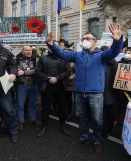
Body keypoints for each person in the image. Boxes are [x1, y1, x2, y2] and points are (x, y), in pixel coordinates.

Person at [45, 23, 123, 154]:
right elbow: (62, 54)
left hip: (96, 93)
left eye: (87, 38)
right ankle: (84, 137)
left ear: (95, 41)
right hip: (80, 92)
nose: (84, 41)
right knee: (81, 117)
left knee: (97, 119)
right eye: (83, 39)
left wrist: (118, 40)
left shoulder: (102, 55)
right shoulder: (78, 55)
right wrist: (51, 45)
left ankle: (97, 140)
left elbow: (114, 52)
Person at [35, 41, 71, 137]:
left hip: (60, 86)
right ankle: (44, 126)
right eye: (50, 46)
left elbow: (68, 72)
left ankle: (63, 125)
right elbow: (37, 72)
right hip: (47, 86)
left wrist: (57, 78)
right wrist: (48, 78)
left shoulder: (64, 58)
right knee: (45, 107)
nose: (52, 48)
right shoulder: (43, 58)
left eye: (54, 46)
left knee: (61, 106)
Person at [15, 45, 40, 131]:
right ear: (22, 51)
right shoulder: (17, 59)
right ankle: (20, 122)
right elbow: (15, 70)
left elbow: (37, 71)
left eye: (30, 50)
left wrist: (24, 72)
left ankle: (32, 119)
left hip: (33, 85)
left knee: (33, 104)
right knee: (20, 105)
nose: (28, 52)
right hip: (21, 85)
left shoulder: (36, 60)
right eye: (26, 50)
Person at [99, 46, 118, 139]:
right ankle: (110, 130)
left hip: (102, 92)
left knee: (103, 114)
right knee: (110, 112)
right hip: (112, 93)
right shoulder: (116, 64)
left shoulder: (101, 63)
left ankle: (104, 132)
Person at [114, 48, 131, 126]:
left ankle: (126, 121)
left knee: (127, 107)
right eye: (126, 52)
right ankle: (115, 120)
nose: (127, 54)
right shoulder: (119, 63)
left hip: (129, 91)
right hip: (119, 90)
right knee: (118, 105)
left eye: (129, 53)